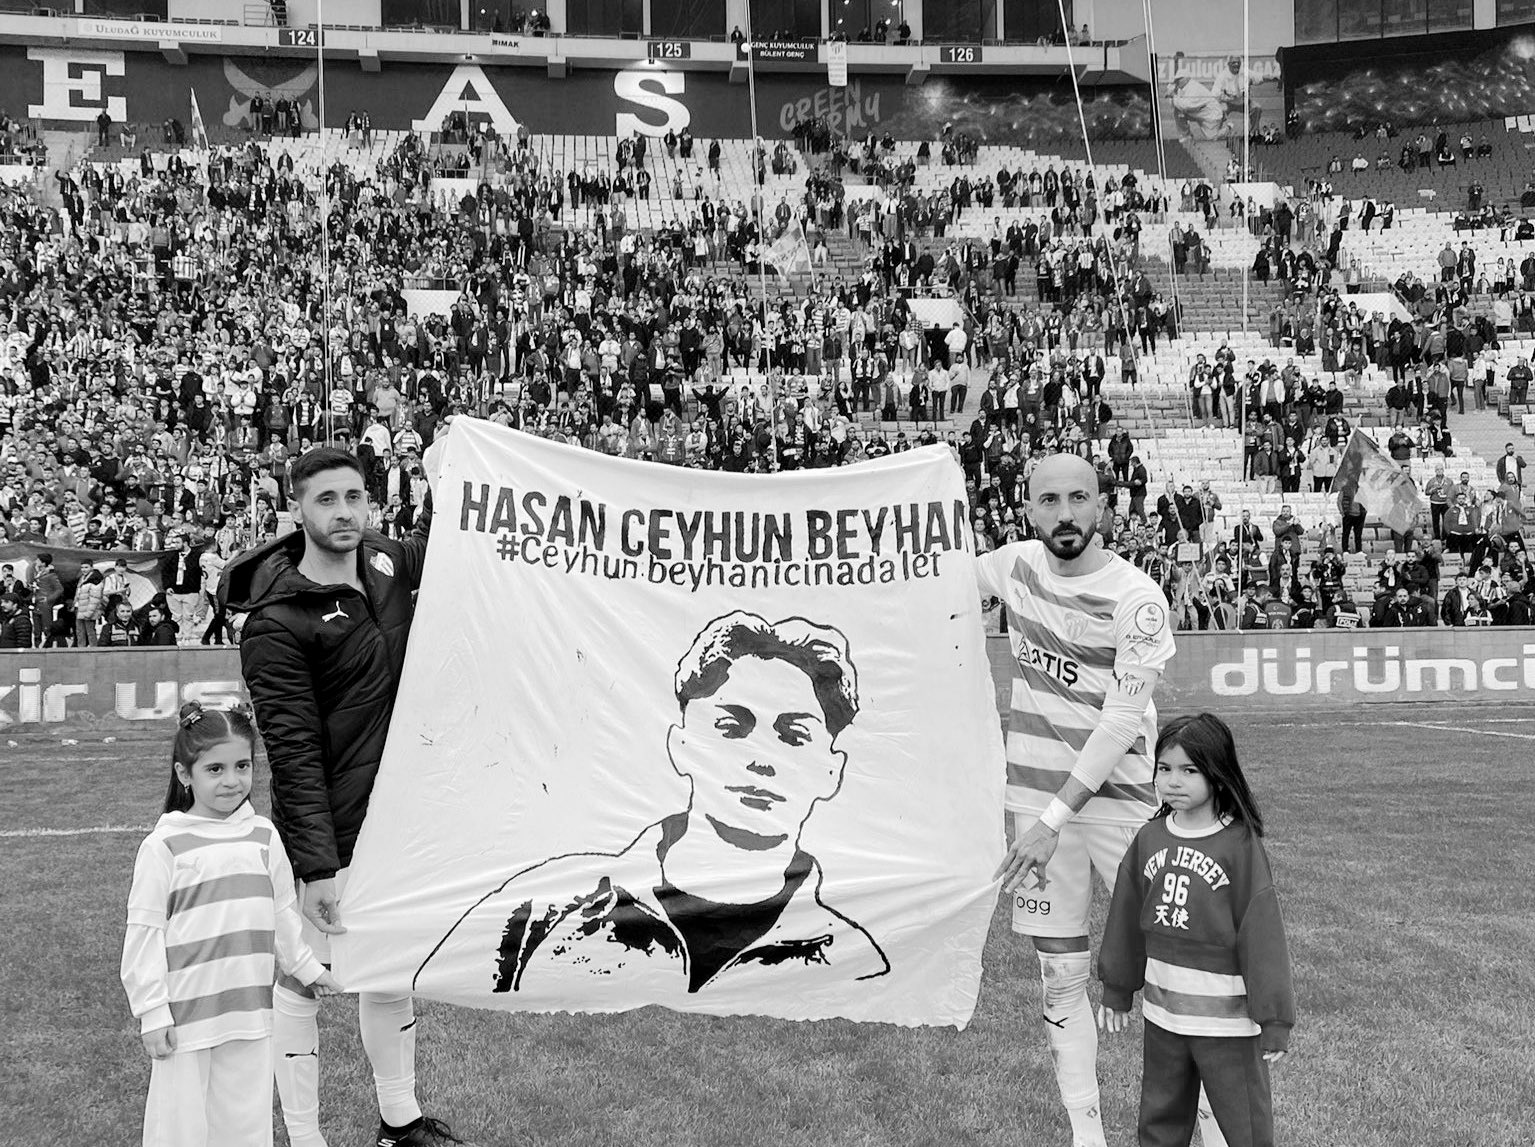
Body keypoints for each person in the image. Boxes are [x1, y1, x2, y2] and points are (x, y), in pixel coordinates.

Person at [414, 612, 889, 997]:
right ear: (681, 746)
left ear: (831, 772)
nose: (761, 760)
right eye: (731, 727)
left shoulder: (852, 959)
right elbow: (426, 983)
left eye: (794, 735)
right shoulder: (545, 904)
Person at [980, 454, 1226, 1147]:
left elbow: (1119, 725)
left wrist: (1052, 818)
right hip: (1034, 803)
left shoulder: (1136, 598)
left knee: (1181, 972)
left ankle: (1214, 1131)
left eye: (1079, 498)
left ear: (1103, 507)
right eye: (1049, 499)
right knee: (1059, 976)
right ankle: (1087, 1138)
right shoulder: (1011, 567)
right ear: (1027, 508)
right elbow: (921, 579)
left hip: (1122, 808)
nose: (1065, 514)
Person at [219, 448, 461, 1147]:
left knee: (390, 970)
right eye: (326, 499)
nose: (345, 511)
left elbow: (459, 545)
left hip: (402, 820)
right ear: (297, 509)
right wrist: (316, 865)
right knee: (306, 978)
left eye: (354, 496)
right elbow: (293, 753)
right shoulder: (276, 621)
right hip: (337, 826)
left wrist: (456, 466)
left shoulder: (385, 561)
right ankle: (304, 1137)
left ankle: (400, 1123)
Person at [121, 702, 340, 1147]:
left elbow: (282, 913)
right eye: (215, 769)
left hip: (250, 1013)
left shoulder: (263, 836)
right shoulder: (165, 845)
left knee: (245, 1126)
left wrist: (305, 967)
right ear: (185, 774)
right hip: (187, 1018)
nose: (232, 780)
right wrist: (152, 1012)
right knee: (180, 1131)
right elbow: (144, 934)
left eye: (242, 766)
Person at [1098, 713, 1294, 1147]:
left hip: (1226, 1023)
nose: (1173, 781)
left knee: (1247, 1126)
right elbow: (1126, 919)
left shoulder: (1239, 845)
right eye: (1164, 769)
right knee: (1159, 1121)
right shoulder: (1149, 838)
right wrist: (1117, 987)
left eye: (1189, 770)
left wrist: (1274, 1018)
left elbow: (1262, 936)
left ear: (1217, 774)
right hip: (1163, 1014)